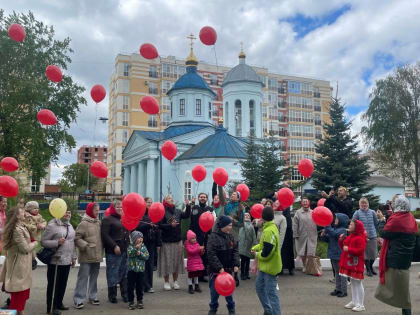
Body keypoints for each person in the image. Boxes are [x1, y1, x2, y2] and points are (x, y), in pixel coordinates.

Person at [375, 195, 418, 315]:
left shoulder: (397, 220)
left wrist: (382, 220)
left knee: (401, 294)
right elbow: (396, 231)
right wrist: (389, 216)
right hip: (404, 259)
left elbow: (385, 233)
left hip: (396, 260)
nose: (392, 205)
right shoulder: (409, 217)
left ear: (398, 205)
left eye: (394, 203)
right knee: (404, 292)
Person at [0, 207, 38, 315]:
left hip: (23, 267)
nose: (24, 213)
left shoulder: (21, 226)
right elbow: (25, 248)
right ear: (17, 216)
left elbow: (34, 228)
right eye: (22, 212)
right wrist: (35, 243)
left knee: (20, 301)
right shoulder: (16, 230)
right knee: (16, 302)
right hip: (19, 269)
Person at [41, 210, 76, 314]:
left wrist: (73, 257)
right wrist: (57, 242)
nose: (67, 214)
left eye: (69, 212)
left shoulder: (70, 226)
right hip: (55, 260)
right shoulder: (52, 225)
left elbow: (72, 243)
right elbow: (43, 242)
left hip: (67, 260)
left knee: (62, 284)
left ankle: (59, 303)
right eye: (65, 212)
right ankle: (50, 308)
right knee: (53, 285)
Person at [252, 206, 282, 315]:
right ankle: (268, 310)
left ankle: (275, 313)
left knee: (271, 293)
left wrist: (256, 254)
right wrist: (255, 248)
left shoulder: (270, 230)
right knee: (259, 287)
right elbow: (263, 245)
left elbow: (266, 254)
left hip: (271, 268)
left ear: (262, 217)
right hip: (264, 267)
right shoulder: (267, 228)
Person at [207, 215, 239, 315]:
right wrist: (219, 268)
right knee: (214, 293)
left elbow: (235, 251)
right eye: (229, 225)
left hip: (228, 272)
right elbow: (211, 254)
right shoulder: (213, 237)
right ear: (223, 226)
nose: (231, 227)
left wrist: (236, 264)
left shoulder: (230, 236)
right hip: (216, 272)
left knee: (229, 293)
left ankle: (231, 309)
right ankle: (213, 309)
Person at [158, 194, 191, 290]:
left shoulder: (177, 211)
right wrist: (170, 226)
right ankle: (166, 282)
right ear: (165, 201)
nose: (171, 199)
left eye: (172, 198)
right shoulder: (162, 211)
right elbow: (160, 225)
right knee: (167, 262)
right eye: (169, 198)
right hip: (166, 241)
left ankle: (175, 281)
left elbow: (186, 215)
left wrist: (188, 205)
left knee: (176, 262)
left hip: (177, 240)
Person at [73, 202, 103, 309]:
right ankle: (78, 299)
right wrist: (85, 246)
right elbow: (77, 238)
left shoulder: (98, 222)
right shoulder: (84, 223)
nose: (97, 212)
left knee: (94, 278)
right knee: (83, 278)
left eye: (98, 210)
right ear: (90, 210)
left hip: (97, 255)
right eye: (96, 210)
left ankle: (93, 296)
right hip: (86, 256)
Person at [101, 199, 129, 303]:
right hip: (113, 251)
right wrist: (114, 246)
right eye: (117, 207)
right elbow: (105, 235)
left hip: (124, 250)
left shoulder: (124, 218)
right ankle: (112, 295)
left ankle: (125, 294)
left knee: (124, 273)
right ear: (113, 208)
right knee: (113, 273)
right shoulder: (107, 220)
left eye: (121, 207)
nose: (120, 208)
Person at [338, 220, 367, 312]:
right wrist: (341, 240)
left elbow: (360, 250)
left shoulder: (360, 238)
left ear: (356, 227)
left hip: (356, 264)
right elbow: (343, 247)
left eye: (351, 224)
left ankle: (361, 304)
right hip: (350, 263)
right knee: (353, 283)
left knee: (358, 283)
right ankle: (354, 302)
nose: (349, 225)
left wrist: (349, 249)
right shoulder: (351, 235)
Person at [136, 197, 161, 293]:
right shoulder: (140, 213)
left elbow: (158, 229)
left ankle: (149, 286)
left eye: (151, 202)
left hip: (151, 243)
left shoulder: (154, 213)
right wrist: (149, 225)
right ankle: (141, 285)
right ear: (144, 203)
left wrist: (158, 243)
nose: (150, 204)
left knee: (150, 265)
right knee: (142, 264)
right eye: (148, 202)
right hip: (142, 242)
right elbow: (138, 227)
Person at [322, 213, 350, 298]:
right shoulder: (334, 229)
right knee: (337, 273)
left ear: (341, 221)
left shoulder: (342, 230)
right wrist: (324, 235)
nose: (335, 220)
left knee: (341, 273)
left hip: (339, 254)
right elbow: (330, 238)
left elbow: (334, 234)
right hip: (333, 254)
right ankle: (338, 289)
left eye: (337, 219)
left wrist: (327, 226)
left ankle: (344, 291)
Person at [189, 193, 214, 282]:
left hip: (207, 235)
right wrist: (190, 233)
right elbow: (191, 221)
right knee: (196, 254)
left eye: (204, 197)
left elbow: (213, 221)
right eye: (201, 197)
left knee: (205, 255)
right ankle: (195, 275)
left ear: (207, 199)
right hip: (196, 235)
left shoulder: (210, 209)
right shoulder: (194, 208)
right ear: (198, 198)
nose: (202, 198)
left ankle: (202, 275)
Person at [353, 197, 379, 277]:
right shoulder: (357, 213)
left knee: (374, 254)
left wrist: (377, 234)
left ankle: (371, 267)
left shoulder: (372, 212)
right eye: (362, 203)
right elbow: (353, 224)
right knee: (366, 255)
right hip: (362, 237)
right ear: (359, 204)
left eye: (365, 203)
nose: (364, 205)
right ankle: (368, 269)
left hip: (373, 235)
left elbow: (376, 223)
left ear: (368, 204)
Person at [292, 197, 318, 271]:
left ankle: (310, 266)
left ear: (309, 203)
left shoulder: (313, 212)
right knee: (303, 252)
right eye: (304, 202)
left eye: (306, 201)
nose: (305, 203)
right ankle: (304, 266)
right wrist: (295, 234)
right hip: (301, 235)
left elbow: (318, 221)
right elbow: (295, 224)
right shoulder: (298, 212)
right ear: (301, 203)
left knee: (311, 251)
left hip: (312, 235)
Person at [127, 231, 149, 310]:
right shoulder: (130, 246)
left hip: (140, 270)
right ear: (134, 239)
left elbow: (147, 256)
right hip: (131, 270)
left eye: (141, 238)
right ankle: (131, 301)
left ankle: (140, 300)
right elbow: (130, 254)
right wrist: (136, 249)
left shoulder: (143, 247)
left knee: (140, 286)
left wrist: (141, 254)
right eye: (138, 238)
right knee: (130, 286)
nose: (140, 240)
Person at [22, 201, 46, 270]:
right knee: (30, 249)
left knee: (32, 249)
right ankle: (33, 261)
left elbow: (43, 221)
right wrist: (36, 227)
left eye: (37, 208)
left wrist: (43, 225)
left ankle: (33, 260)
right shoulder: (27, 216)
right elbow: (27, 225)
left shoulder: (39, 216)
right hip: (28, 236)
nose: (37, 210)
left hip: (34, 237)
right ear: (29, 209)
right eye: (34, 208)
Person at [185, 230, 205, 294]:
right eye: (192, 238)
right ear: (189, 239)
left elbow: (199, 253)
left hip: (197, 261)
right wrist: (199, 248)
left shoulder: (197, 244)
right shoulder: (187, 244)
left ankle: (196, 285)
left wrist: (202, 251)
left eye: (195, 238)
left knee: (196, 274)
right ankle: (190, 286)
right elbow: (191, 252)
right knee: (191, 275)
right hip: (191, 262)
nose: (194, 239)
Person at [238, 212, 256, 280]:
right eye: (245, 215)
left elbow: (253, 235)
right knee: (243, 260)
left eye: (248, 215)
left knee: (248, 260)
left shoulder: (251, 225)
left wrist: (254, 244)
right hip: (242, 244)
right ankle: (242, 274)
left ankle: (247, 273)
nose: (247, 216)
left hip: (249, 244)